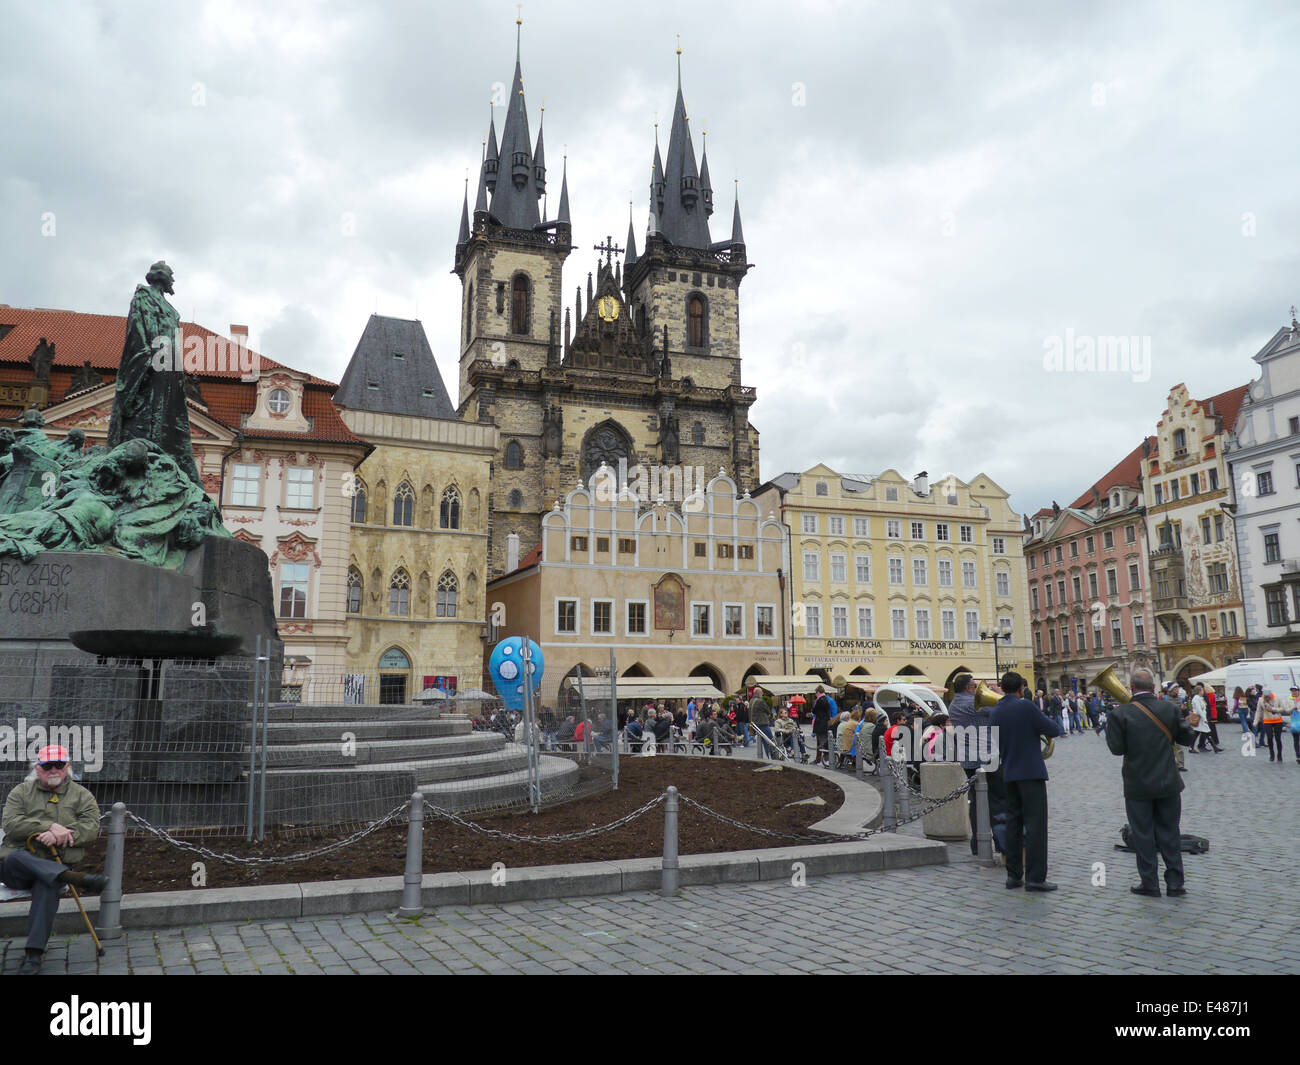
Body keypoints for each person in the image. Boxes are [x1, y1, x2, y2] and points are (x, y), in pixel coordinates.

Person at [1, 746, 108, 975]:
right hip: (16, 868)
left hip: (56, 865)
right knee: (16, 856)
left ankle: (33, 955)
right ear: (37, 768)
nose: (53, 770)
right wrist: (47, 826)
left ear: (67, 767)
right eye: (47, 765)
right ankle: (73, 879)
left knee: (47, 883)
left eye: (58, 765)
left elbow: (90, 829)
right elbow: (11, 823)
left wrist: (62, 835)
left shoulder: (82, 795)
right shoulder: (20, 792)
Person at [1104, 668, 1195, 896]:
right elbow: (1186, 737)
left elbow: (1116, 749)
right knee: (1170, 832)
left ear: (1132, 688)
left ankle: (1150, 883)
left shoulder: (1120, 714)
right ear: (1154, 688)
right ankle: (1175, 883)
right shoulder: (1169, 708)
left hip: (1138, 784)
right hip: (1168, 781)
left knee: (1143, 834)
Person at [988, 671, 1061, 891]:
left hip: (1009, 773)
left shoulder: (995, 712)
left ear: (1002, 687)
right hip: (1030, 773)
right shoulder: (1026, 706)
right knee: (1036, 826)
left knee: (1013, 824)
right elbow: (1054, 730)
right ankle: (1035, 878)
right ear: (1021, 688)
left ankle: (1013, 876)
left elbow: (996, 739)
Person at [948, 674, 1004, 857]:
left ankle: (978, 843)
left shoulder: (954, 704)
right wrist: (999, 692)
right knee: (996, 800)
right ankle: (1000, 841)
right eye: (974, 685)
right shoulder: (974, 703)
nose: (976, 688)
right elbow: (1003, 707)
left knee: (976, 801)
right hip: (987, 756)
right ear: (968, 688)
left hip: (968, 758)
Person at [1259, 691, 1286, 762]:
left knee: (1278, 738)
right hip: (1267, 720)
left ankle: (1279, 755)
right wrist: (1255, 722)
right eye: (1266, 697)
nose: (1267, 699)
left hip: (1277, 720)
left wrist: (1273, 709)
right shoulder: (1261, 700)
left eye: (1268, 697)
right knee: (1269, 737)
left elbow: (1283, 709)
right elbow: (1258, 711)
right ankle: (1272, 753)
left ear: (1271, 696)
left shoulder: (1277, 698)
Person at [748, 686, 774, 759]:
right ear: (759, 693)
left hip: (755, 725)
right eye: (762, 692)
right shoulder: (760, 701)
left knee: (764, 742)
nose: (762, 694)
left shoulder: (751, 701)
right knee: (770, 741)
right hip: (762, 724)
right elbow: (768, 710)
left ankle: (768, 756)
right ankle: (774, 757)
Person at [810, 686, 832, 767]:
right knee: (821, 742)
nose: (815, 694)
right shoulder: (826, 699)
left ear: (818, 692)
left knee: (822, 742)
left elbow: (814, 710)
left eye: (816, 693)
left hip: (820, 724)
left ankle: (826, 759)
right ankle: (819, 759)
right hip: (825, 723)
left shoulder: (820, 700)